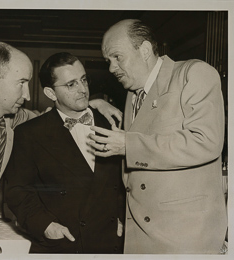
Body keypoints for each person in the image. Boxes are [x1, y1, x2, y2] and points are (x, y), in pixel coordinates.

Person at [0, 42, 121, 253]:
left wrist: (91, 104)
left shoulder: (5, 116)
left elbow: (47, 121)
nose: (27, 94)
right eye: (22, 83)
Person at [88, 19, 227, 254]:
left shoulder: (194, 74)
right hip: (140, 234)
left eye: (117, 57)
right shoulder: (133, 95)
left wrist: (128, 144)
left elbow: (206, 141)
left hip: (185, 237)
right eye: (108, 61)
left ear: (144, 51)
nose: (111, 68)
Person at [5, 52, 126, 254]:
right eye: (71, 85)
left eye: (84, 80)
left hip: (110, 243)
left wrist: (124, 216)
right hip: (62, 244)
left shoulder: (114, 122)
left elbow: (131, 181)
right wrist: (45, 225)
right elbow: (18, 191)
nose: (83, 90)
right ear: (51, 94)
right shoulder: (30, 134)